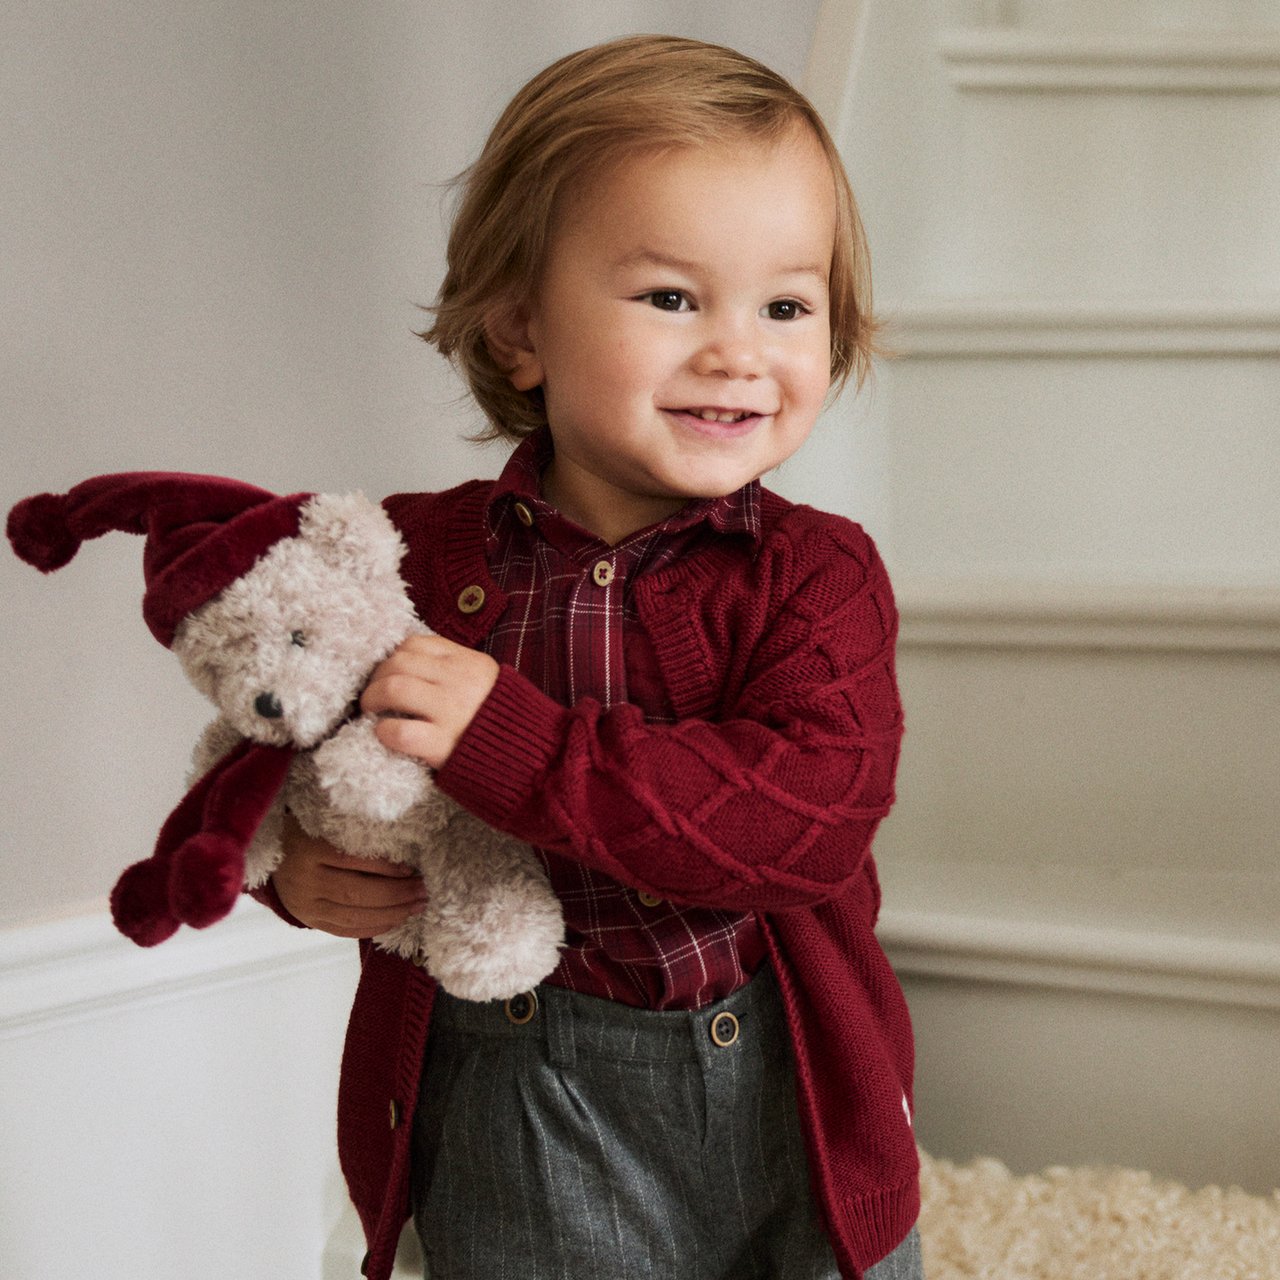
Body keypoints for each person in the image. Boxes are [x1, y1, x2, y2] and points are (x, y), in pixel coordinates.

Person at [264, 33, 922, 1280]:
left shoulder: (817, 575)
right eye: (671, 297)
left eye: (786, 304)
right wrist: (292, 871)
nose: (738, 349)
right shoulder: (405, 560)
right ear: (519, 328)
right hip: (519, 1087)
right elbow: (275, 747)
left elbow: (803, 822)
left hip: (784, 1077)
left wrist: (526, 746)